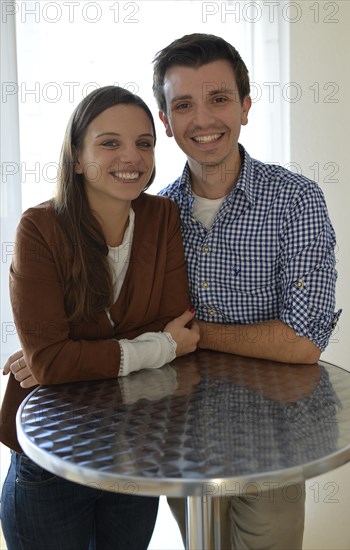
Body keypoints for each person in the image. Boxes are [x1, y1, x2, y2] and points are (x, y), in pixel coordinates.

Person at [152, 33, 341, 549]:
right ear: (166, 123)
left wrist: (199, 336)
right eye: (184, 104)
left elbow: (302, 343)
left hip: (275, 441)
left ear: (246, 106)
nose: (204, 119)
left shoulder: (295, 201)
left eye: (219, 99)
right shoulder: (156, 216)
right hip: (183, 441)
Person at [0, 85, 200, 550]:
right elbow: (51, 363)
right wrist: (161, 346)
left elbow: (177, 320)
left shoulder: (161, 216)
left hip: (135, 442)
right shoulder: (40, 228)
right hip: (54, 451)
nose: (131, 156)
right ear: (76, 157)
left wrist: (74, 354)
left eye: (144, 143)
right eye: (110, 143)